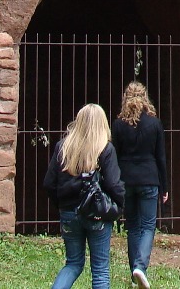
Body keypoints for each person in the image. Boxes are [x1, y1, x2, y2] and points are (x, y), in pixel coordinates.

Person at [43, 103, 127, 289]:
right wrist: (119, 205)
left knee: (73, 264)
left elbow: (49, 183)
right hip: (96, 212)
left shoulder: (63, 147)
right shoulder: (105, 149)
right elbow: (113, 184)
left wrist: (62, 205)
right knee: (100, 270)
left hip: (69, 213)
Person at [112, 82, 169, 289]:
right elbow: (160, 157)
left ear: (125, 98)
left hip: (126, 180)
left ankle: (133, 272)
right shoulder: (154, 123)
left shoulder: (118, 125)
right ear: (145, 98)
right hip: (149, 179)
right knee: (148, 226)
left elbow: (115, 155)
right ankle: (140, 267)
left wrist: (114, 183)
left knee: (133, 226)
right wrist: (164, 186)